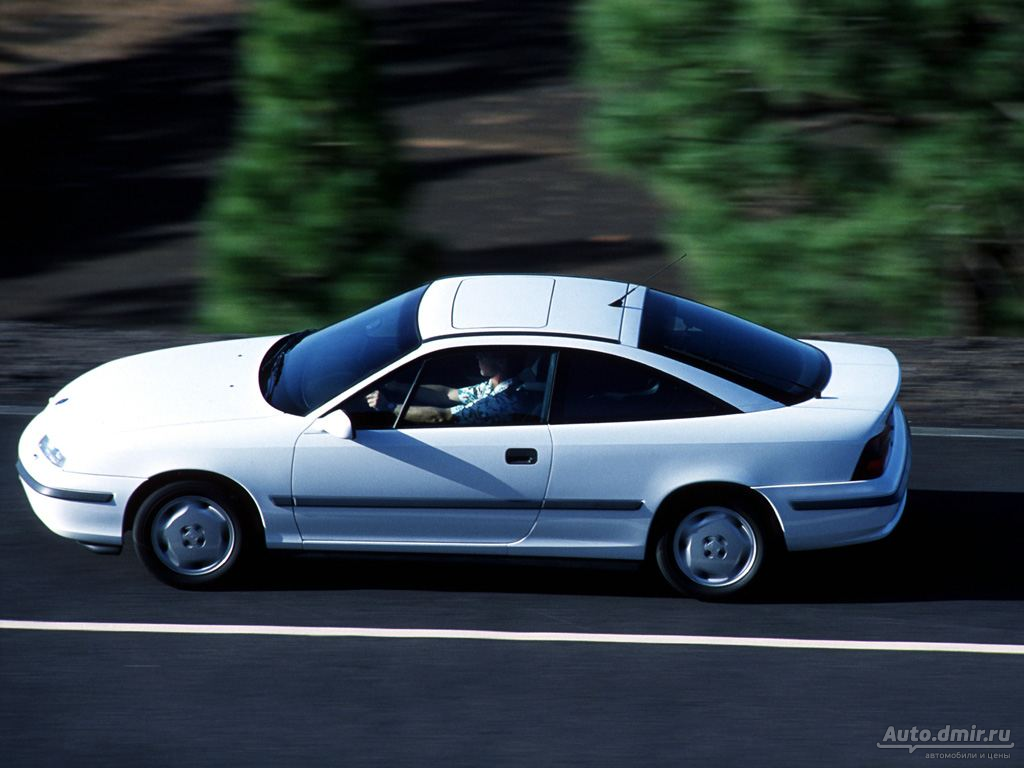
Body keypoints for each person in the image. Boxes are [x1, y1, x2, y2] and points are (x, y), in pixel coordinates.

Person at [366, 352, 527, 425]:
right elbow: (447, 394)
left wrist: (389, 407)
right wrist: (395, 387)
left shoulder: (502, 400)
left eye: (484, 354)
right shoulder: (493, 386)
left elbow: (441, 417)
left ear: (501, 362)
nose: (477, 356)